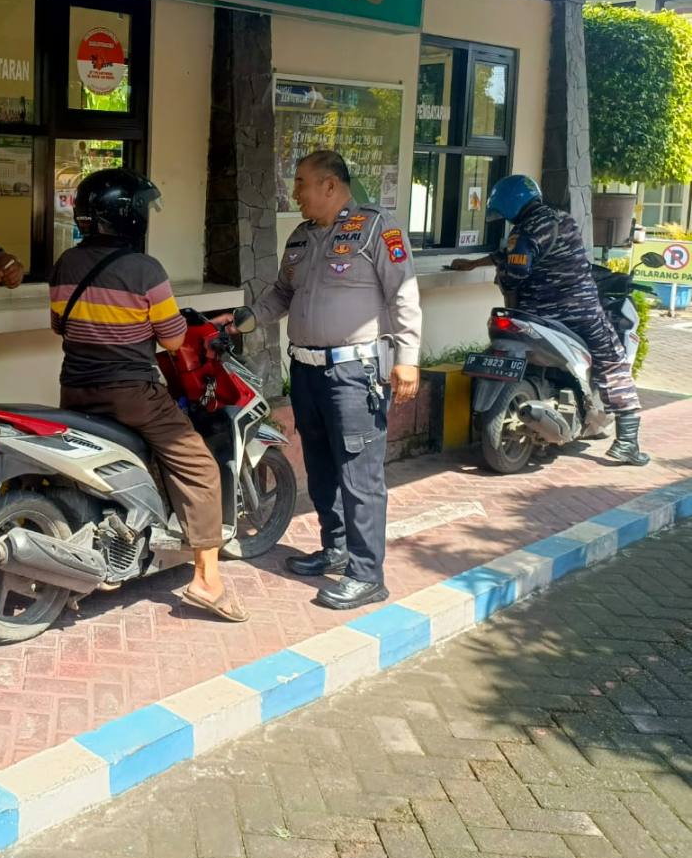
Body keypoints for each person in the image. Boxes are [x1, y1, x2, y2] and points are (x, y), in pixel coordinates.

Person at [215, 150, 422, 611]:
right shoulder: (301, 237)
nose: (295, 193)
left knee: (359, 474)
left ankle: (367, 575)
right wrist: (247, 319)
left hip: (354, 374)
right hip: (306, 370)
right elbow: (281, 294)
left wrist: (408, 358)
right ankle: (336, 547)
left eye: (301, 183)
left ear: (329, 185)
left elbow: (404, 294)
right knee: (322, 466)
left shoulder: (377, 229)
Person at [51, 168, 247, 622]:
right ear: (129, 216)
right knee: (200, 465)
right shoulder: (146, 270)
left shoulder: (66, 263)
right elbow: (175, 340)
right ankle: (207, 580)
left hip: (74, 390)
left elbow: (59, 325)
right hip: (132, 394)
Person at [450, 174, 648, 465]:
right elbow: (520, 258)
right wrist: (477, 264)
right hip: (580, 312)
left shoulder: (524, 230)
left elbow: (514, 267)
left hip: (535, 313)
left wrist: (484, 267)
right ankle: (627, 442)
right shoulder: (562, 220)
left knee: (609, 358)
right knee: (612, 361)